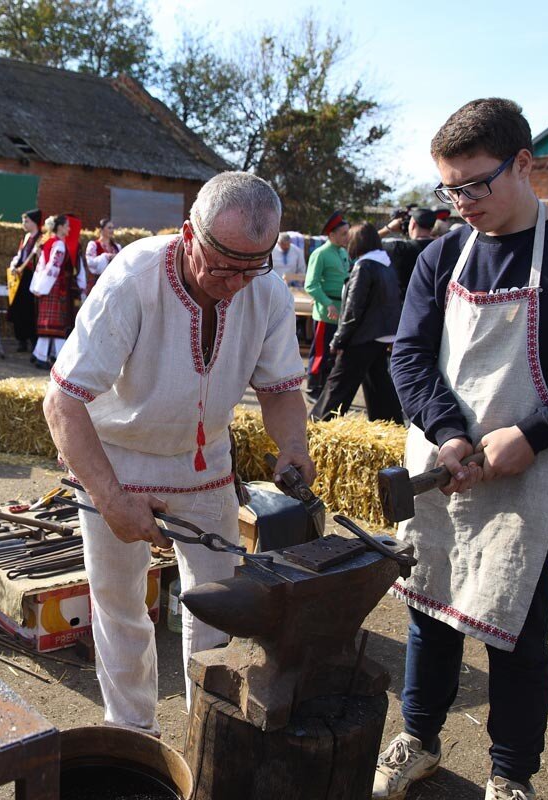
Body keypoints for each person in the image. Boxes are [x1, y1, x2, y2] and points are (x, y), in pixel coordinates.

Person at [378, 98, 548, 800]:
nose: (462, 202)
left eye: (476, 183)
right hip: (441, 469)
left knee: (518, 630)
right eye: (450, 188)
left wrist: (535, 433)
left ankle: (510, 777)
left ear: (524, 163)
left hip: (533, 478)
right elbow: (409, 357)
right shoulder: (442, 255)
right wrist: (447, 432)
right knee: (428, 610)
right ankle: (418, 737)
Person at [43, 172, 314, 734]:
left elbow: (282, 388)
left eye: (252, 265)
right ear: (189, 233)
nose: (236, 282)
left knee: (218, 608)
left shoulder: (264, 290)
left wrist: (293, 446)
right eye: (223, 264)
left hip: (206, 465)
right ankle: (134, 735)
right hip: (116, 460)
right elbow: (62, 402)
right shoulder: (135, 278)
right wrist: (112, 500)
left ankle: (207, 735)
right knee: (119, 607)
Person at [310, 223, 403, 423]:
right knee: (378, 383)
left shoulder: (365, 266)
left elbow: (353, 310)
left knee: (338, 385)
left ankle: (317, 426)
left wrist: (338, 340)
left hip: (362, 336)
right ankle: (389, 424)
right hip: (380, 335)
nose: (346, 242)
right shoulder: (386, 264)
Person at [304, 211, 351, 399]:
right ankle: (313, 387)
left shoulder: (342, 252)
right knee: (321, 351)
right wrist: (327, 303)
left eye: (348, 233)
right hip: (326, 312)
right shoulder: (320, 253)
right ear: (331, 234)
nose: (347, 237)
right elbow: (311, 284)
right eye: (343, 233)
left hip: (342, 310)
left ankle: (325, 387)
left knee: (333, 352)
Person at [30, 215, 85, 368]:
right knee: (55, 324)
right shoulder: (59, 245)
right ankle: (57, 359)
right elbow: (52, 268)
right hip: (54, 286)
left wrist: (37, 286)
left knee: (50, 325)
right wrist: (43, 287)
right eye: (67, 225)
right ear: (60, 227)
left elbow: (41, 266)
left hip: (47, 286)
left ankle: (41, 355)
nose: (69, 229)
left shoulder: (49, 242)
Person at [382, 208, 439, 295]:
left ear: (412, 224)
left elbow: (364, 243)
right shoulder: (441, 247)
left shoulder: (398, 248)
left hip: (405, 303)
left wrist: (388, 228)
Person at [8, 209, 41, 354]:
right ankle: (21, 340)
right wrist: (14, 266)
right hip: (20, 277)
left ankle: (34, 341)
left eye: (26, 221)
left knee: (30, 310)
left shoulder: (41, 238)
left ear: (34, 222)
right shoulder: (27, 237)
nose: (24, 224)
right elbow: (20, 255)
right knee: (18, 308)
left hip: (32, 276)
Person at [84, 217, 121, 296]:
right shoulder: (94, 245)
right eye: (109, 228)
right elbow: (90, 262)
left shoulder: (117, 247)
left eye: (113, 228)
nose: (112, 230)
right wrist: (106, 257)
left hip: (114, 283)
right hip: (98, 282)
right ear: (101, 230)